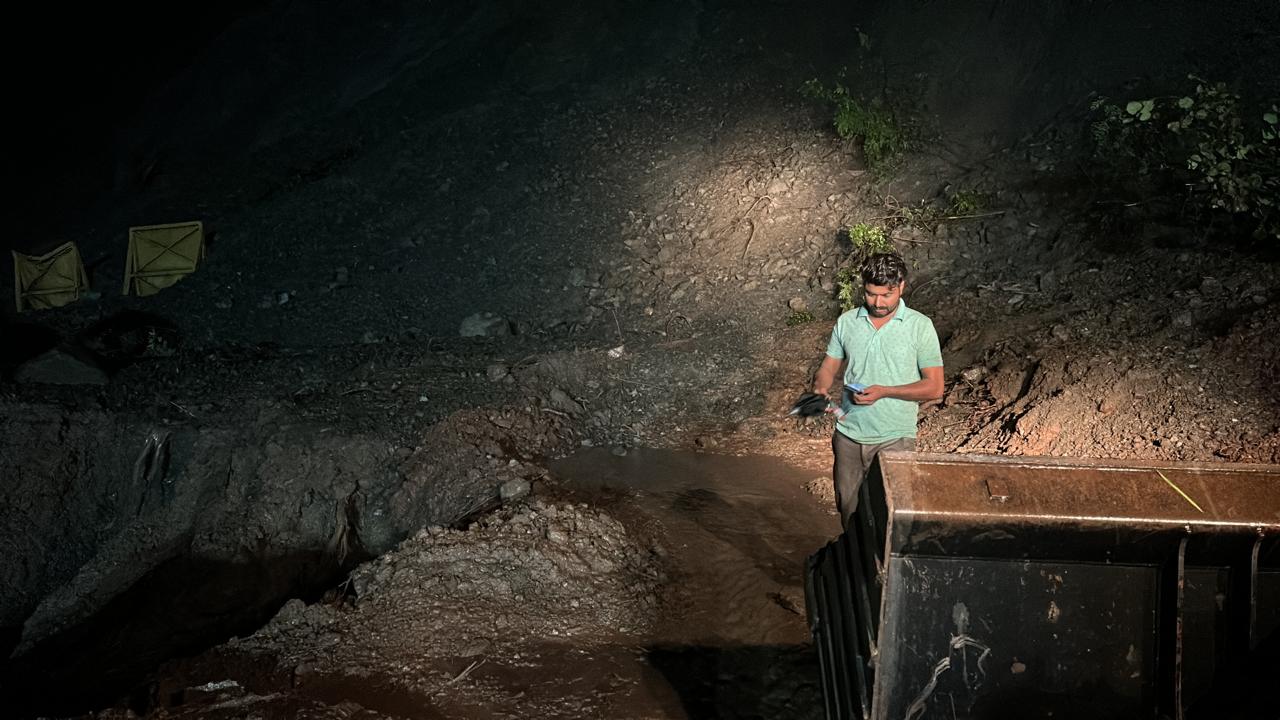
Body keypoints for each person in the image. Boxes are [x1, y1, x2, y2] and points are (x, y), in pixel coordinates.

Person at [812, 253, 944, 528]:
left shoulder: (920, 327)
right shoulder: (847, 322)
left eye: (887, 295)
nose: (879, 303)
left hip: (894, 438)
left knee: (892, 519)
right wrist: (821, 387)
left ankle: (884, 571)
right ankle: (854, 567)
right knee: (849, 517)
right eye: (872, 295)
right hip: (848, 437)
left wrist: (885, 391)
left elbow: (934, 387)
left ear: (902, 287)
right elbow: (828, 366)